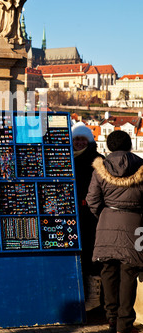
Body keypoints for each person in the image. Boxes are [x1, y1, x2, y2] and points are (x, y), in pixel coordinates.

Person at [86, 130, 143, 333]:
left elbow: (92, 200)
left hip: (106, 223)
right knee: (130, 273)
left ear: (109, 146)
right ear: (129, 146)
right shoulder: (141, 167)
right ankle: (124, 325)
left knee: (108, 271)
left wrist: (104, 215)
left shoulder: (100, 168)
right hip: (136, 226)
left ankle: (111, 318)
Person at [71, 121, 103, 311]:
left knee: (91, 255)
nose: (80, 143)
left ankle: (94, 298)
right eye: (77, 139)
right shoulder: (66, 157)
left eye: (83, 140)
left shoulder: (97, 160)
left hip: (90, 215)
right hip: (72, 213)